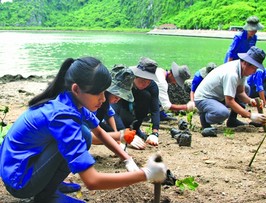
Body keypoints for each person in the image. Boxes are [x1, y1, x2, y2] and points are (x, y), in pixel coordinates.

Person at [0, 57, 167, 203]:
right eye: (98, 94)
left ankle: (50, 186)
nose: (103, 99)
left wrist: (127, 159)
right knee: (81, 135)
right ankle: (46, 195)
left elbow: (99, 132)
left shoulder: (72, 100)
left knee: (85, 134)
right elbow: (92, 181)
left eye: (104, 92)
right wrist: (146, 173)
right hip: (20, 180)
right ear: (76, 88)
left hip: (21, 163)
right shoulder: (63, 117)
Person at [194, 46, 266, 136]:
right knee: (223, 113)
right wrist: (251, 116)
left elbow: (240, 92)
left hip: (218, 96)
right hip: (203, 98)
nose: (254, 71)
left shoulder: (242, 69)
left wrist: (250, 100)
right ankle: (205, 118)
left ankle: (232, 120)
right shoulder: (232, 74)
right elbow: (229, 101)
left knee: (247, 88)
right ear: (246, 63)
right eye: (254, 68)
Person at [93, 64, 145, 150]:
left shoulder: (105, 100)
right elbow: (88, 133)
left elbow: (109, 114)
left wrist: (116, 134)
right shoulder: (94, 99)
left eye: (120, 97)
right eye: (116, 96)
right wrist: (118, 136)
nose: (118, 99)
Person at [111, 57, 161, 146]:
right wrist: (125, 134)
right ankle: (122, 131)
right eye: (142, 80)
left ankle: (135, 129)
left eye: (148, 81)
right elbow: (112, 109)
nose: (145, 84)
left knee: (146, 95)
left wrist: (155, 133)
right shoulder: (124, 80)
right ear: (135, 76)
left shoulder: (152, 86)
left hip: (134, 109)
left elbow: (155, 109)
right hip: (119, 110)